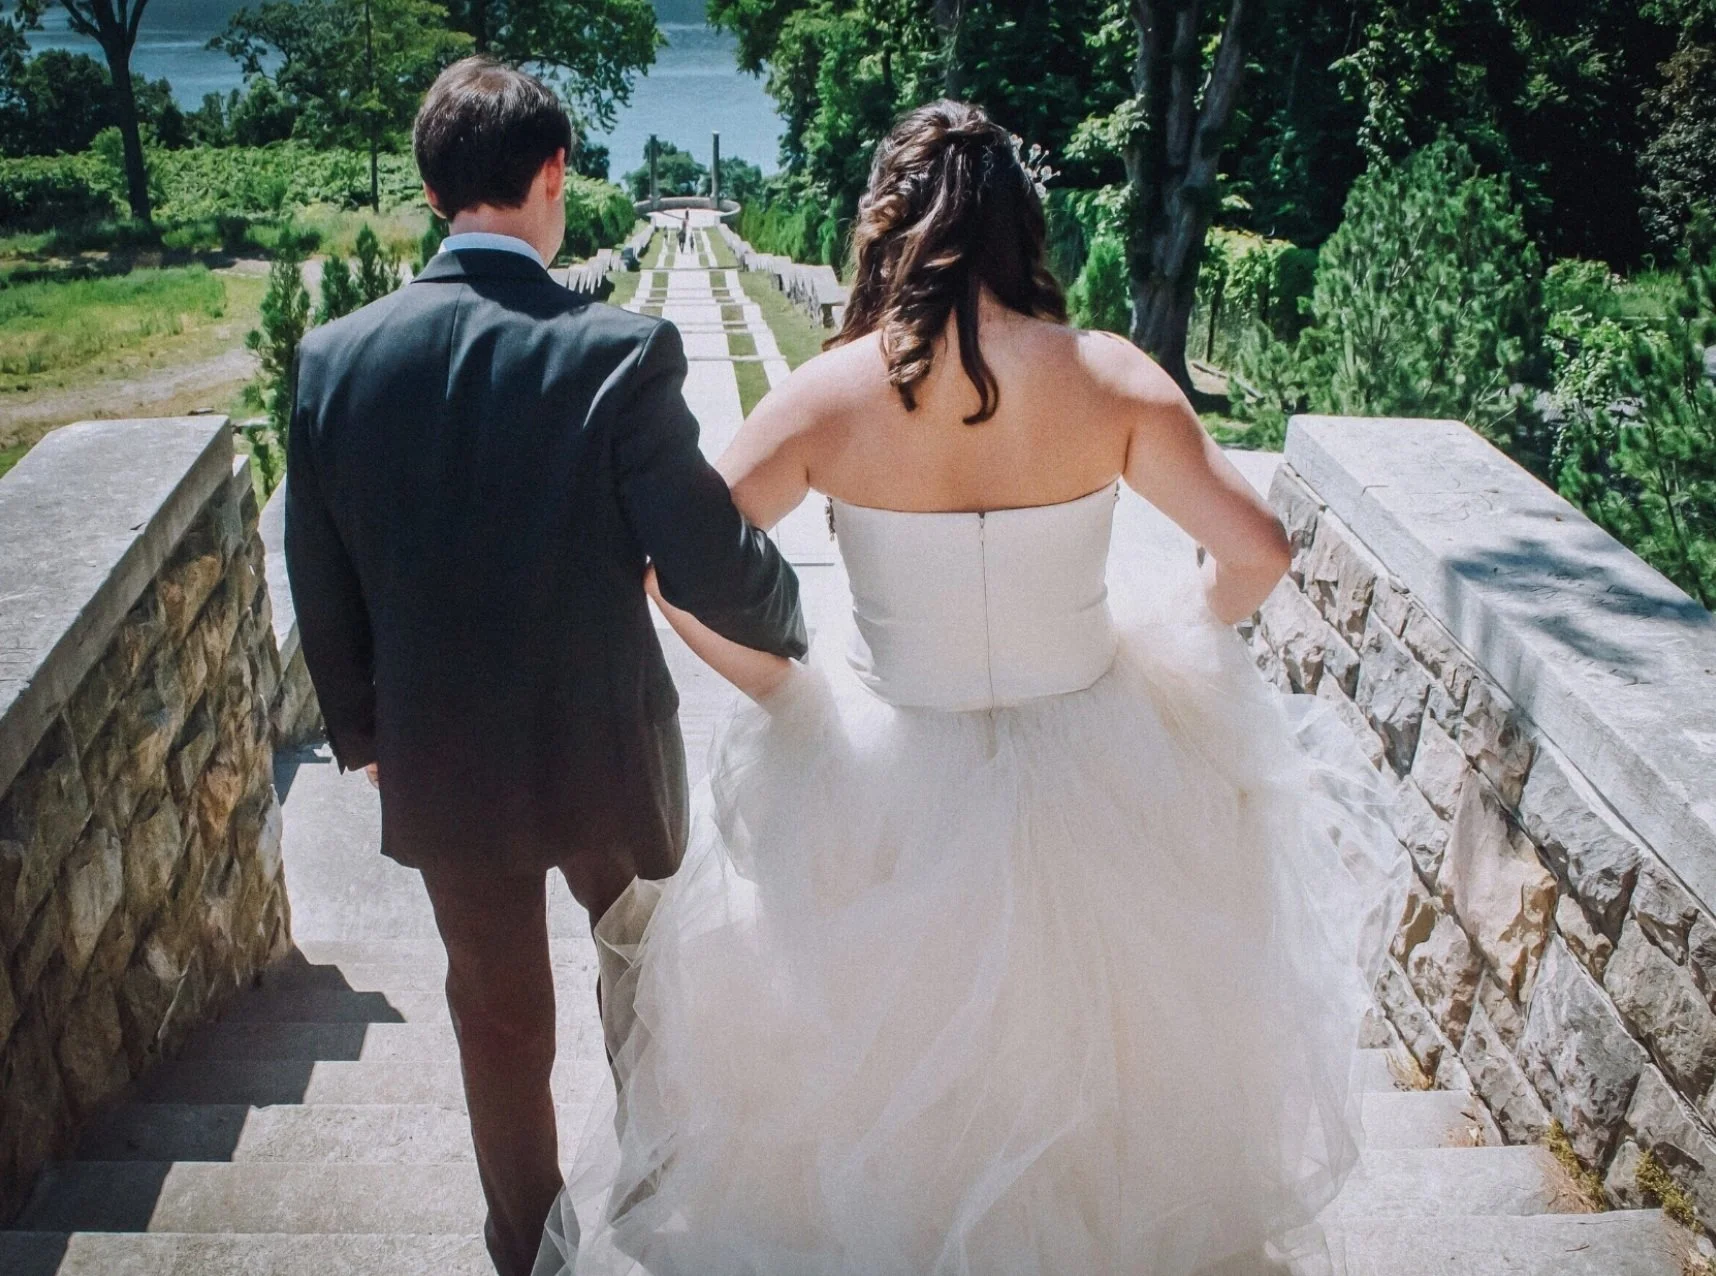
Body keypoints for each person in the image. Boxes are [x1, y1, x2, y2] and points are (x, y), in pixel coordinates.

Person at [547, 100, 1409, 1276]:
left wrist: (788, 693)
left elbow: (676, 574)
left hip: (888, 764)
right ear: (1022, 223)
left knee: (889, 1069)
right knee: (1094, 1054)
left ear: (886, 225)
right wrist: (1172, 629)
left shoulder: (833, 392)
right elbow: (1257, 549)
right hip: (1100, 749)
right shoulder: (1107, 376)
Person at [283, 57, 806, 1276]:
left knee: (500, 1019)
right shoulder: (617, 353)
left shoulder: (333, 362)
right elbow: (708, 559)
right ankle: (664, 1216)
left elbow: (321, 578)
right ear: (553, 176)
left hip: (446, 764)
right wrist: (794, 620)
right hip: (606, 750)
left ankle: (530, 1255)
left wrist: (365, 738)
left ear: (429, 189)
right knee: (648, 988)